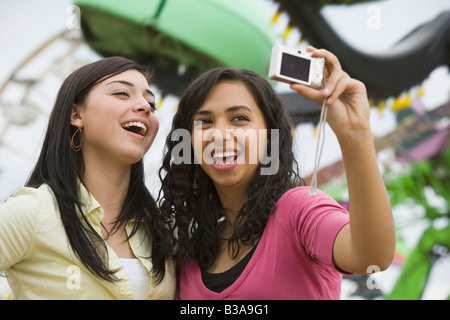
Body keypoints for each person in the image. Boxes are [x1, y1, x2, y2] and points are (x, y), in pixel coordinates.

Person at [158, 47, 396, 299]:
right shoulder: (188, 251)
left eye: (239, 118)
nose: (219, 134)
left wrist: (355, 135)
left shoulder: (299, 210)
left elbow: (371, 258)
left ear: (270, 136)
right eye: (205, 122)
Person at [0, 56, 175, 300]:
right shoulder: (33, 212)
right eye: (122, 93)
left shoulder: (161, 226)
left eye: (151, 103)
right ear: (76, 115)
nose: (145, 106)